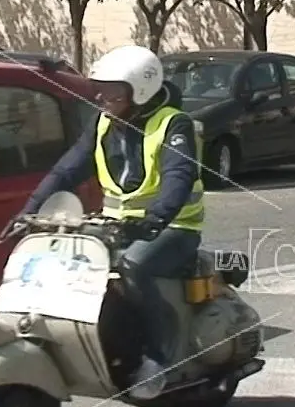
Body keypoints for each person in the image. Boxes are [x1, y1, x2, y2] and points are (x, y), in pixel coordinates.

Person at [12, 45, 203, 400]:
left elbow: (179, 176)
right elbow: (66, 170)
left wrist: (155, 219)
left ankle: (158, 359)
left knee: (134, 266)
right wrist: (28, 212)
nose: (100, 97)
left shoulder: (173, 123)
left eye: (111, 90)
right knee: (68, 263)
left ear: (139, 90)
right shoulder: (103, 122)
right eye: (98, 88)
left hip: (174, 228)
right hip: (117, 226)